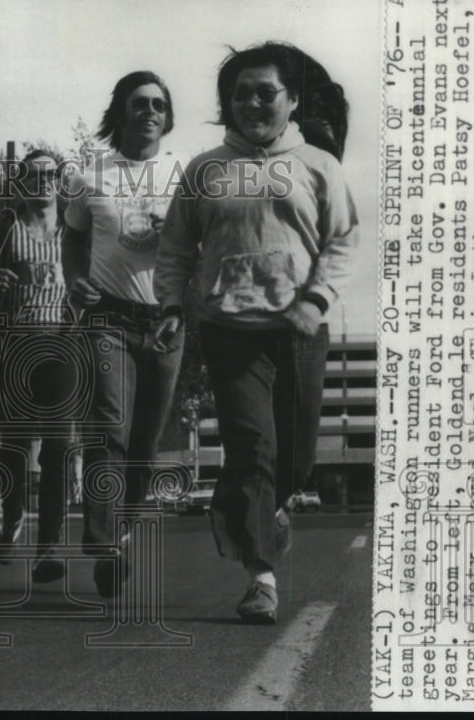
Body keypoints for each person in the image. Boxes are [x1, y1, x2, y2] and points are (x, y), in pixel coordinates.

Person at [154, 42, 359, 624]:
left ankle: (259, 508)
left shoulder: (319, 165)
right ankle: (261, 579)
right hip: (230, 328)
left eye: (264, 92)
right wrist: (172, 304)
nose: (251, 102)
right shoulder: (205, 169)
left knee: (293, 462)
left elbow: (342, 240)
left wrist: (316, 299)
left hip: (298, 328)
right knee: (252, 447)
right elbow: (174, 250)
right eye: (239, 93)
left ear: (291, 100)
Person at [61, 71, 184, 599]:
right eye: (140, 103)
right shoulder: (90, 174)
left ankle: (124, 524)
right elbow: (72, 236)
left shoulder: (184, 175)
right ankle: (104, 542)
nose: (150, 111)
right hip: (107, 317)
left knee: (145, 443)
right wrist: (74, 282)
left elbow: (196, 248)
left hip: (164, 321)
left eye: (159, 104)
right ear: (123, 111)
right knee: (107, 427)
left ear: (167, 115)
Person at [0, 150, 76, 583]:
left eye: (49, 174)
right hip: (16, 344)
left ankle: (49, 548)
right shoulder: (8, 228)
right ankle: (12, 515)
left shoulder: (76, 230)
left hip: (61, 344)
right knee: (15, 445)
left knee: (58, 445)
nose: (42, 181)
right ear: (22, 184)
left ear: (60, 181)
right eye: (33, 175)